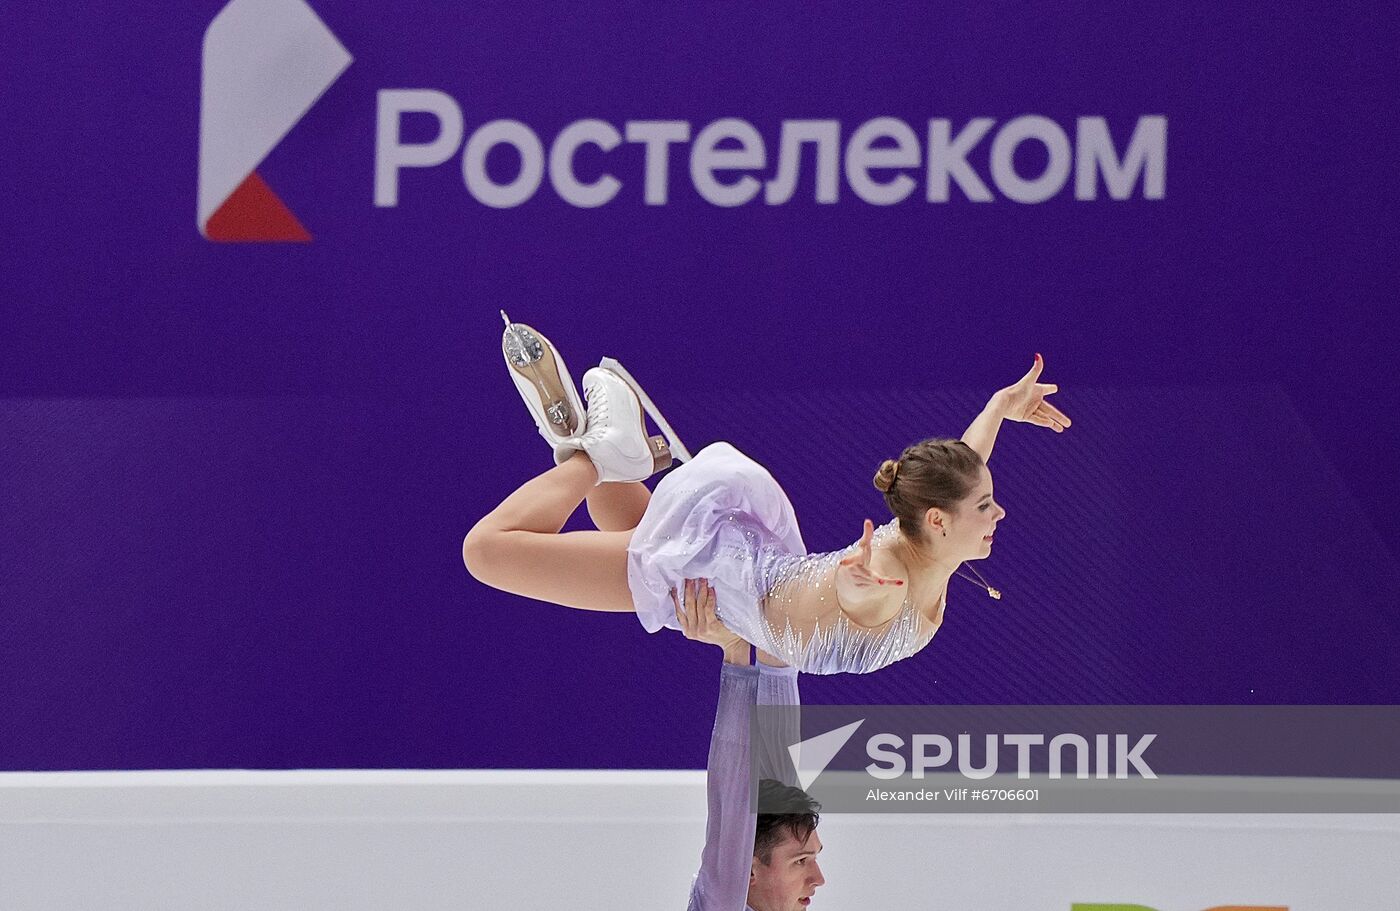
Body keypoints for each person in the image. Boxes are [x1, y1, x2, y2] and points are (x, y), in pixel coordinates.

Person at [463, 313, 1071, 675]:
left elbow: (963, 473)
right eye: (987, 506)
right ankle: (599, 455)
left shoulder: (921, 536)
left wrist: (998, 408)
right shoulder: (888, 573)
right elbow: (862, 599)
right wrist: (854, 584)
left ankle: (608, 449)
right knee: (485, 552)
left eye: (988, 502)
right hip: (713, 577)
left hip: (745, 567)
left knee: (625, 523)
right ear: (938, 521)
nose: (1000, 512)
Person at [673, 575, 825, 911]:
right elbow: (769, 780)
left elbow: (733, 800)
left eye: (804, 861)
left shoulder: (726, 896)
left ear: (749, 871)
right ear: (750, 870)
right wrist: (771, 652)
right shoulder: (731, 892)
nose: (819, 879)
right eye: (802, 861)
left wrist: (737, 655)